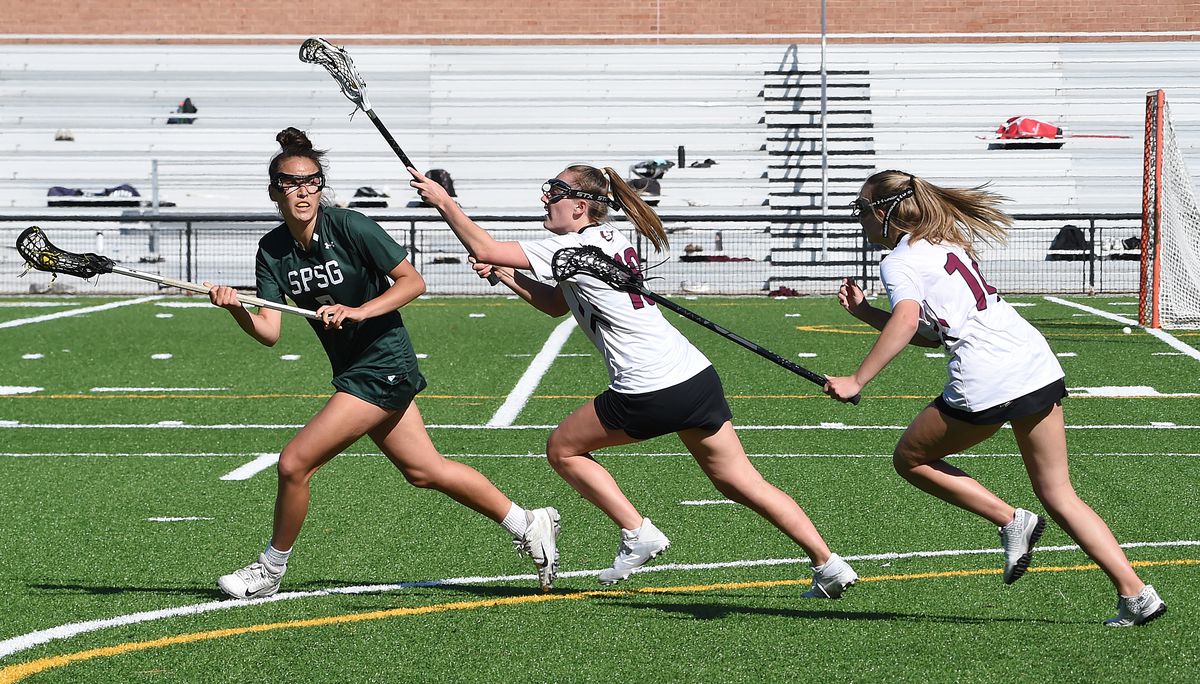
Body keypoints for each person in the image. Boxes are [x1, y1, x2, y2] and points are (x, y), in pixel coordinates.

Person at [410, 164, 858, 597]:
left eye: (556, 191)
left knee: (563, 448)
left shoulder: (568, 249)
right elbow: (555, 304)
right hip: (694, 375)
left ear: (581, 205)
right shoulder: (606, 239)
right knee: (742, 481)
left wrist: (445, 202)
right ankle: (828, 562)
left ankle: (637, 531)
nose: (546, 198)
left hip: (648, 385)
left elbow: (485, 247)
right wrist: (508, 276)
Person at [205, 128, 560, 599]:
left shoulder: (351, 226)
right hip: (355, 371)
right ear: (275, 190)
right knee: (425, 471)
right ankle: (527, 522)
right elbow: (269, 332)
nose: (303, 191)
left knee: (294, 463)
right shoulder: (272, 250)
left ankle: (270, 569)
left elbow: (413, 282)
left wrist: (358, 311)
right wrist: (235, 308)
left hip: (383, 363)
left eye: (312, 182)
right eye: (291, 183)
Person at [825, 169, 1167, 626]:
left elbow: (907, 321)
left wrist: (856, 380)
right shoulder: (947, 241)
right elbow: (933, 334)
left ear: (887, 212)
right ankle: (1137, 593)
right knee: (1059, 493)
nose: (860, 220)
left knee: (910, 458)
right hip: (1033, 361)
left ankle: (1010, 520)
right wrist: (866, 311)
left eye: (863, 210)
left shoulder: (898, 261)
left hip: (988, 375)